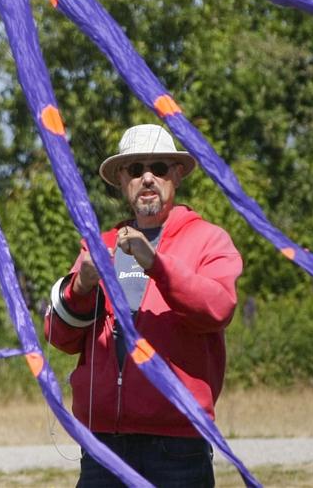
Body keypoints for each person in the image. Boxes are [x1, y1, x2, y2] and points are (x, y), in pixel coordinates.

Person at [45, 124, 242, 487]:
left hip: (177, 448)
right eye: (135, 170)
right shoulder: (100, 244)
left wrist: (157, 265)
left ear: (177, 175)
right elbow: (59, 337)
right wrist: (82, 285)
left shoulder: (208, 239)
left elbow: (218, 308)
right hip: (103, 447)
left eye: (159, 168)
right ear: (122, 181)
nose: (147, 177)